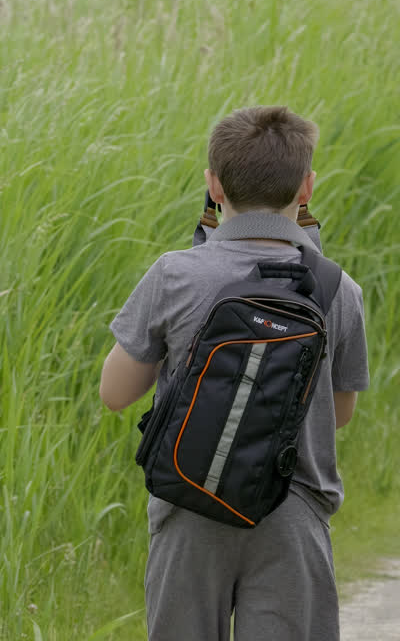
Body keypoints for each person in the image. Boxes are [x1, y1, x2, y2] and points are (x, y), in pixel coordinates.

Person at [99, 105, 370, 640]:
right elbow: (338, 416)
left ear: (214, 186)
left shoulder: (175, 273)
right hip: (294, 517)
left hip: (190, 509)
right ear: (307, 187)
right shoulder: (339, 288)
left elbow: (115, 393)